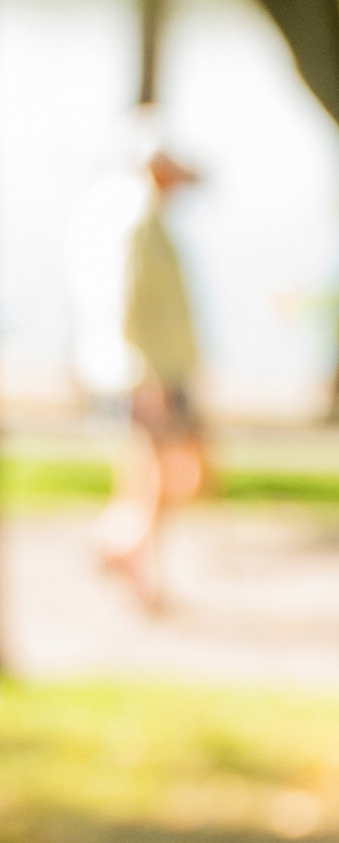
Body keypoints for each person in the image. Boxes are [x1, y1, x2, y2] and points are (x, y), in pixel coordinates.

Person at [93, 136, 210, 612]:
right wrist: (147, 378)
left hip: (168, 370)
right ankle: (132, 558)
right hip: (153, 375)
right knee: (159, 476)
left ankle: (123, 548)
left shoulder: (154, 223)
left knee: (166, 476)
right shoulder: (140, 225)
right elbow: (132, 308)